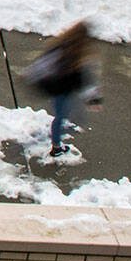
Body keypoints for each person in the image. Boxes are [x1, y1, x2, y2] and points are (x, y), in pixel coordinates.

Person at [26, 20, 101, 159]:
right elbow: (83, 81)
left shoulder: (60, 46)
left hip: (56, 89)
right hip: (63, 90)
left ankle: (56, 144)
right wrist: (93, 100)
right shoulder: (77, 56)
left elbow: (43, 64)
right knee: (61, 117)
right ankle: (56, 147)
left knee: (61, 116)